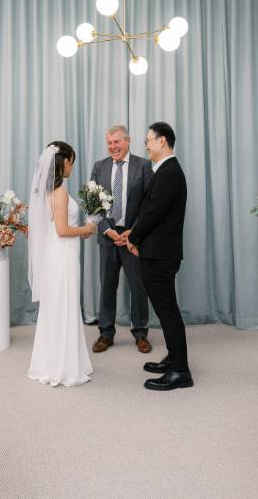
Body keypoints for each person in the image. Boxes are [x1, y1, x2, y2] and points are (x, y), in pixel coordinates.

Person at [125, 122, 192, 391]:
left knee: (168, 311)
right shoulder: (166, 171)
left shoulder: (169, 172)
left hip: (160, 254)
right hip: (158, 251)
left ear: (162, 141)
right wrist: (135, 234)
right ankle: (174, 359)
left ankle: (180, 371)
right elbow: (152, 211)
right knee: (166, 311)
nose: (146, 146)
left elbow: (153, 212)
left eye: (148, 141)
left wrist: (133, 237)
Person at [27, 141, 96, 386]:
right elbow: (62, 230)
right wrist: (87, 229)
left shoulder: (47, 192)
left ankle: (54, 361)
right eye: (71, 163)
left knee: (57, 306)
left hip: (56, 253)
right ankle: (63, 366)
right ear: (64, 162)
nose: (72, 168)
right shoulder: (60, 193)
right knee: (63, 303)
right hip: (62, 255)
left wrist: (80, 231)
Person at [89, 125, 153, 354]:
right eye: (109, 142)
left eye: (117, 141)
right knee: (107, 287)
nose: (112, 146)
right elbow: (92, 204)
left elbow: (149, 203)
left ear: (128, 141)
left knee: (138, 286)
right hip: (108, 237)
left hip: (133, 238)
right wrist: (108, 230)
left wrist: (133, 232)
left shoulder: (143, 166)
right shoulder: (99, 167)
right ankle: (106, 333)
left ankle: (141, 333)